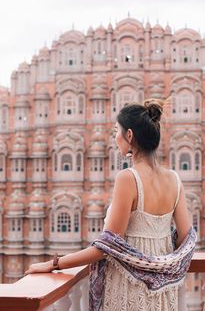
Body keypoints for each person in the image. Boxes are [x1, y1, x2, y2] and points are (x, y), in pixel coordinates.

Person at [25, 98, 194, 311]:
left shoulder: (128, 178)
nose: (115, 138)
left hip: (129, 287)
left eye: (117, 131)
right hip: (162, 292)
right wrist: (157, 260)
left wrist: (53, 264)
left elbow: (106, 247)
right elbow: (186, 239)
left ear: (129, 135)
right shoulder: (174, 179)